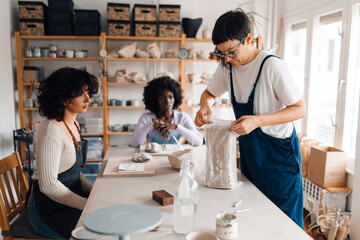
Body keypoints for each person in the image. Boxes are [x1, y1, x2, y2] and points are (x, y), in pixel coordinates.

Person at [194, 8, 306, 228]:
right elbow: (209, 94)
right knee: (255, 217)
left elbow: (299, 109)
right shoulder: (228, 67)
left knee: (285, 224)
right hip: (251, 155)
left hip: (280, 156)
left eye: (231, 52)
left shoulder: (271, 66)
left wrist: (256, 121)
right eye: (221, 53)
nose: (227, 58)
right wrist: (205, 107)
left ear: (248, 39)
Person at [28, 67, 99, 238]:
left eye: (88, 93)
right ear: (64, 98)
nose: (88, 98)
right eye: (81, 94)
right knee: (98, 232)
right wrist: (86, 205)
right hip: (48, 209)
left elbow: (75, 173)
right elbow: (48, 185)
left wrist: (94, 193)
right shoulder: (50, 131)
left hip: (69, 198)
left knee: (108, 221)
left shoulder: (73, 124)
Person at [130, 76, 203, 147]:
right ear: (155, 100)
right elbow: (134, 143)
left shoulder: (182, 117)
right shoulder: (146, 118)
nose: (167, 101)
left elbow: (198, 142)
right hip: (153, 157)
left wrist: (176, 126)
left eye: (170, 97)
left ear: (175, 98)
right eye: (162, 98)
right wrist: (151, 123)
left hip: (176, 157)